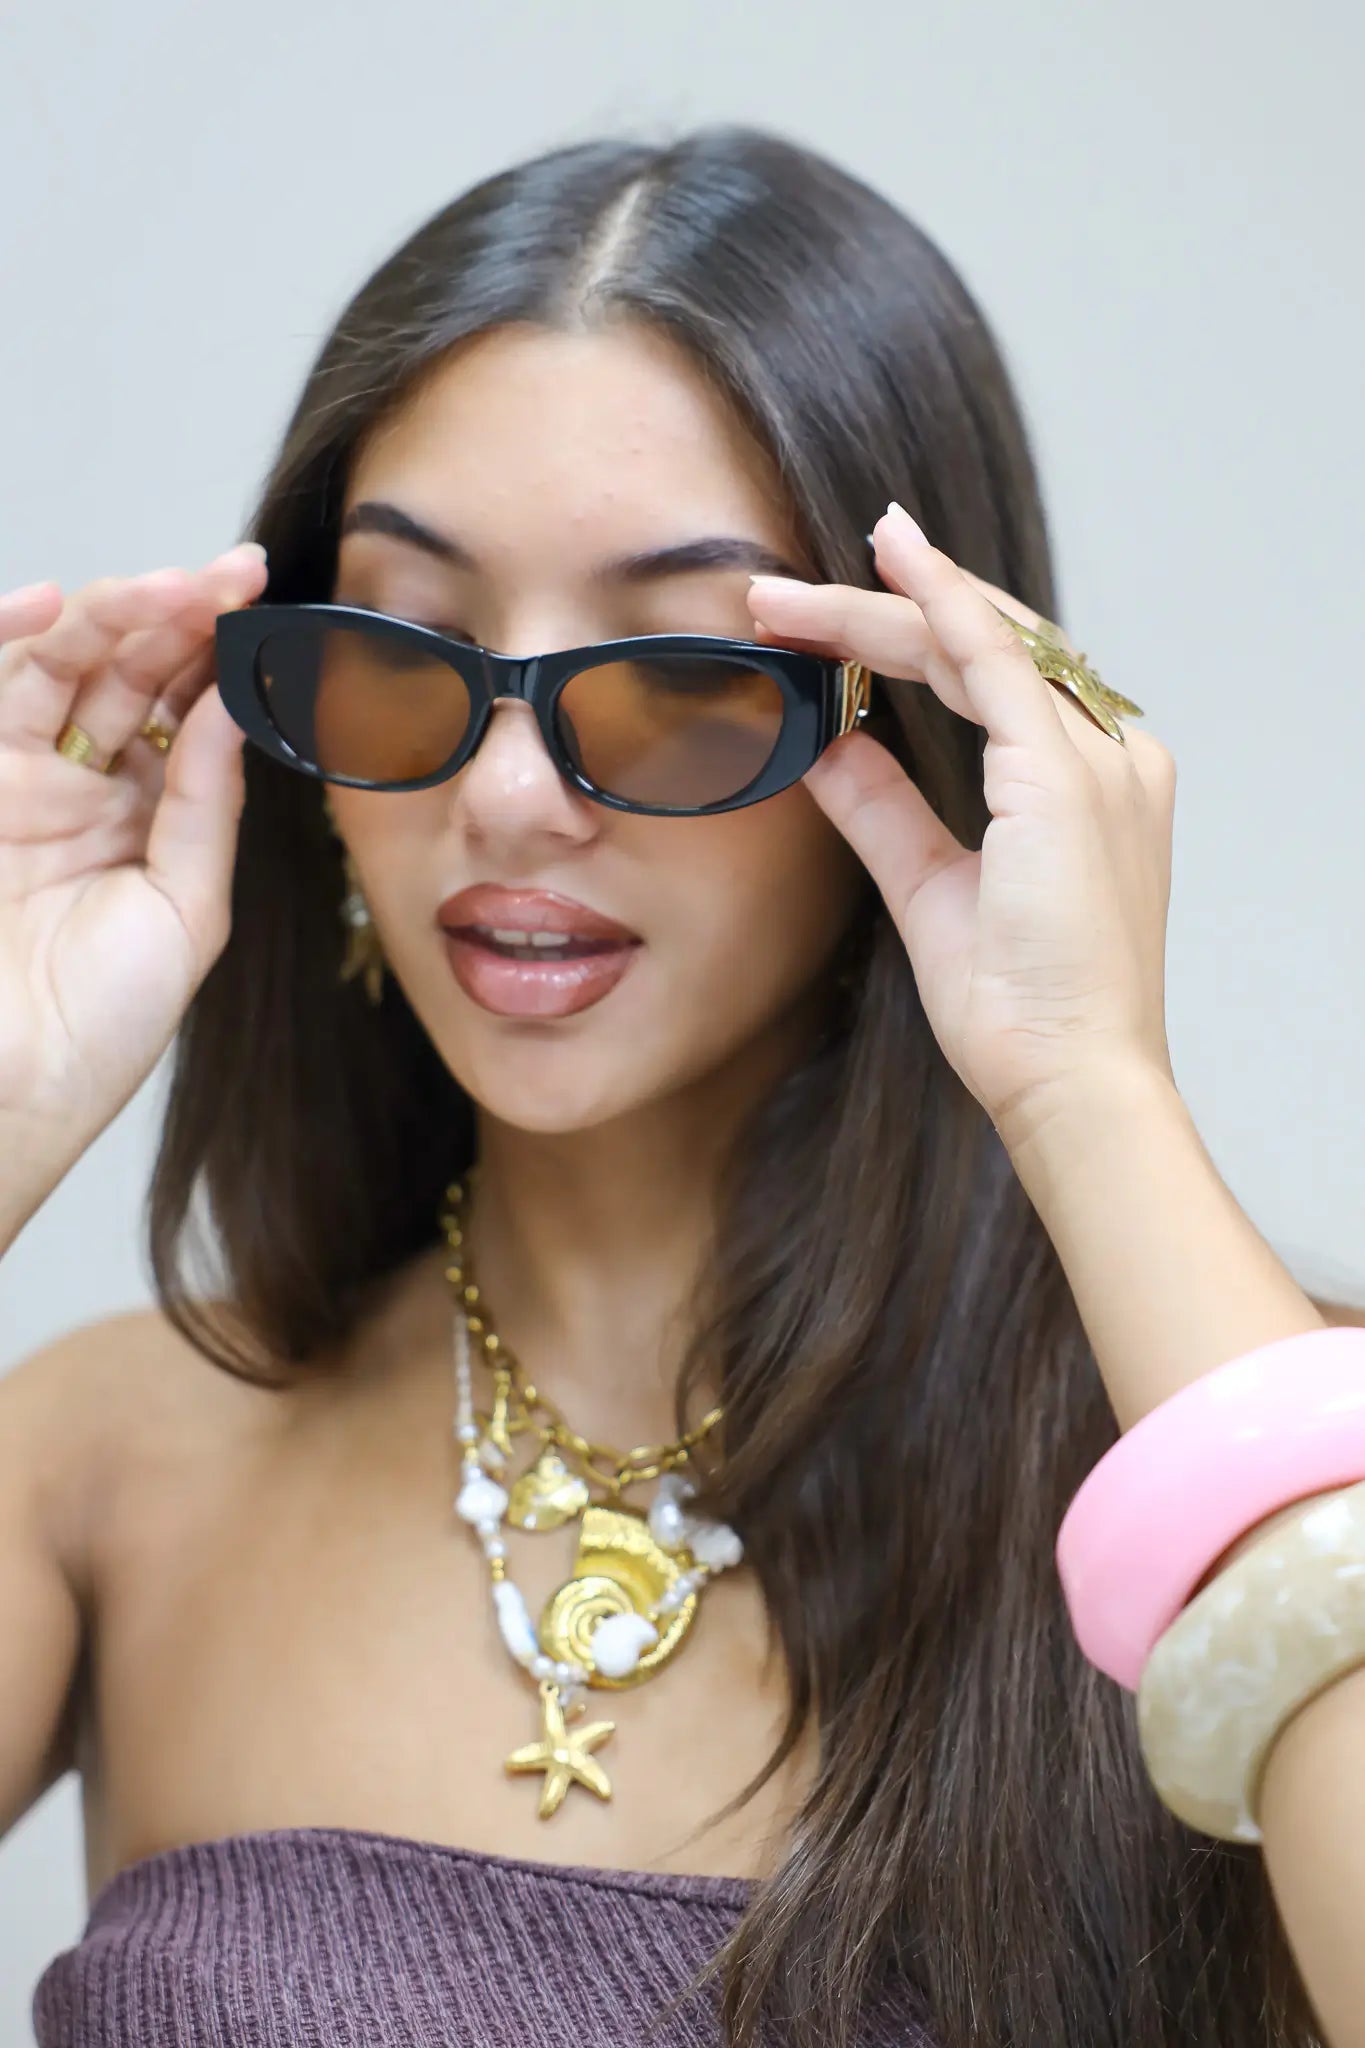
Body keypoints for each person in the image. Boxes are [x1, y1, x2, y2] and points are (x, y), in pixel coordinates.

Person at [2, 124, 1363, 2048]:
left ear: (909, 719)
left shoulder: (1260, 1450)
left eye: (685, 675)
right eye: (407, 653)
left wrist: (1087, 1085)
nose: (505, 796)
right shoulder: (107, 1465)